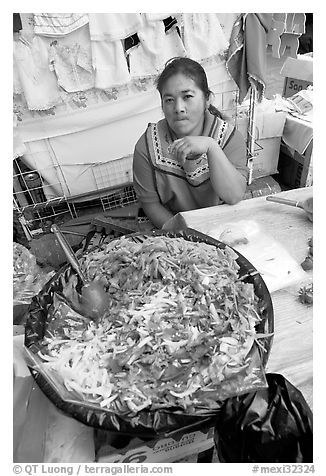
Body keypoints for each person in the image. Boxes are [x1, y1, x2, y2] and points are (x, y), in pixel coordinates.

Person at [132, 57, 248, 229]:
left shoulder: (229, 138)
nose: (178, 108)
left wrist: (211, 147)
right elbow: (151, 204)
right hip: (171, 230)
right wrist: (185, 237)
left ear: (207, 99)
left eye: (187, 96)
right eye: (169, 100)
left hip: (222, 227)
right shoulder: (147, 146)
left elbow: (233, 196)